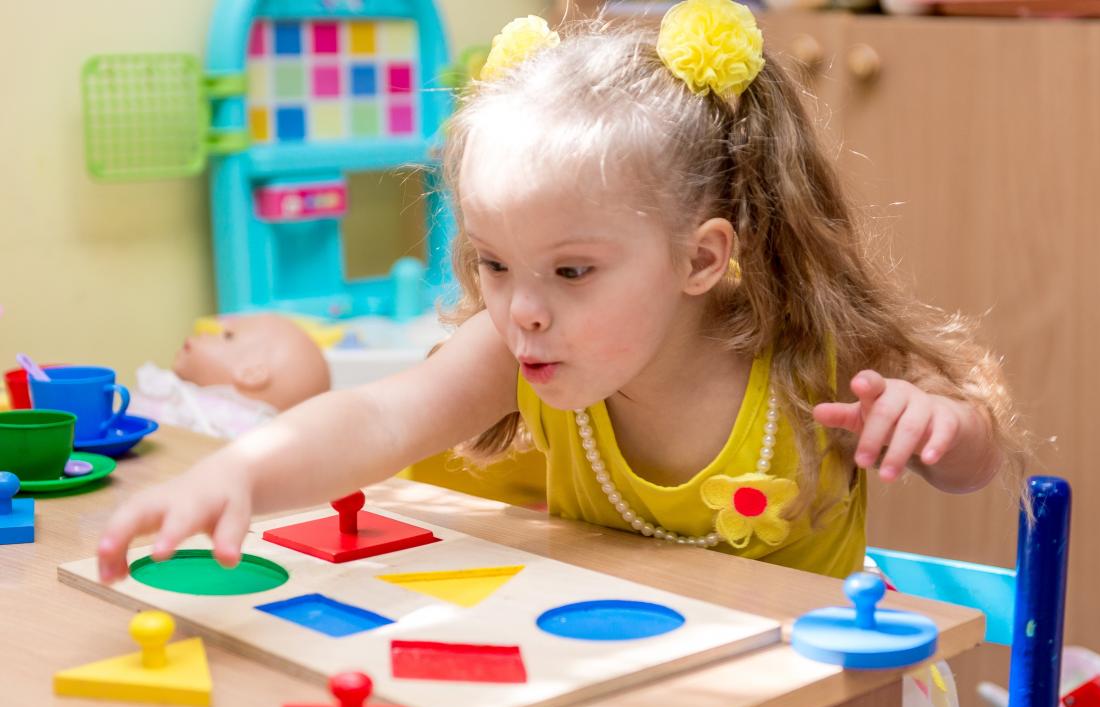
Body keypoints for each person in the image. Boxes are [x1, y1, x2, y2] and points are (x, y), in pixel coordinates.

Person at [96, 0, 1027, 587]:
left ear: (702, 259)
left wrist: (938, 423)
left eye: (571, 271)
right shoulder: (518, 350)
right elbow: (379, 421)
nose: (522, 310)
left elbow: (972, 461)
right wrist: (238, 472)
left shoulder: (806, 346)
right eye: (494, 266)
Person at [129, 314, 332, 438]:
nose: (205, 335)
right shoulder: (174, 393)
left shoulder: (237, 431)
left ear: (251, 373)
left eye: (226, 336)